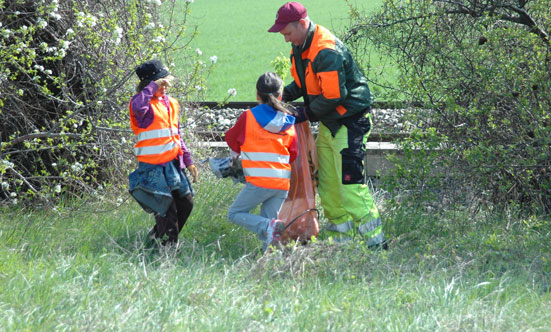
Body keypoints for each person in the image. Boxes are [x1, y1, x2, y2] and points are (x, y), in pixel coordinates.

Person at [268, 2, 387, 248]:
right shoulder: (300, 46)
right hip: (330, 124)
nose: (285, 39)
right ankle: (341, 243)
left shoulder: (325, 50)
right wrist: (280, 97)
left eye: (287, 33)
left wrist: (304, 113)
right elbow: (303, 84)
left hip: (350, 123)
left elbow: (334, 96)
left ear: (302, 24)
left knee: (350, 188)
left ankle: (377, 247)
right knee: (328, 189)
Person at [128, 59, 198, 246]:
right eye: (161, 83)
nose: (165, 86)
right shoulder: (141, 102)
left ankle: (154, 240)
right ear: (149, 84)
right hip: (152, 169)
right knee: (168, 211)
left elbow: (177, 134)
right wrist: (153, 87)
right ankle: (166, 253)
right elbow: (138, 108)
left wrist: (188, 160)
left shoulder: (172, 103)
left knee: (186, 203)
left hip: (173, 166)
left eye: (166, 82)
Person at [225, 72, 298, 251]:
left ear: (257, 95)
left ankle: (268, 229)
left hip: (259, 181)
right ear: (280, 96)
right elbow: (293, 153)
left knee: (235, 214)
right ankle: (272, 263)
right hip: (282, 183)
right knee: (271, 230)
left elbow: (232, 140)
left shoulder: (248, 117)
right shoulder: (288, 121)